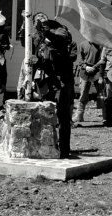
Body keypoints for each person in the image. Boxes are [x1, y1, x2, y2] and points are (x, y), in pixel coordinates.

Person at [29, 12, 76, 159]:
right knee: (44, 114)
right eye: (37, 18)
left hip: (61, 80)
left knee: (62, 116)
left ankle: (64, 149)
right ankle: (47, 147)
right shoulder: (37, 36)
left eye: (42, 16)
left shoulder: (59, 29)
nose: (40, 19)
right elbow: (33, 49)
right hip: (45, 80)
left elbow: (59, 40)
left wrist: (47, 31)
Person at [72, 40, 104, 126]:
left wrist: (95, 68)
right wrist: (85, 66)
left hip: (97, 71)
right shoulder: (82, 44)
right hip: (84, 72)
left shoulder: (100, 45)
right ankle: (79, 115)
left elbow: (102, 59)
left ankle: (105, 117)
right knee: (83, 94)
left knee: (101, 94)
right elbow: (80, 59)